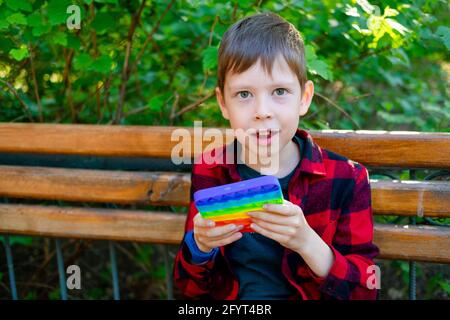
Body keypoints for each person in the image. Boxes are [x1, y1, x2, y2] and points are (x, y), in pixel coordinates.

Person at [173, 12, 379, 300]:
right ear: (223, 103)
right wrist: (200, 247)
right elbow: (189, 289)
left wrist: (308, 243)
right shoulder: (212, 170)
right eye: (244, 94)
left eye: (279, 91)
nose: (262, 110)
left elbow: (366, 291)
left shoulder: (346, 178)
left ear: (304, 98)